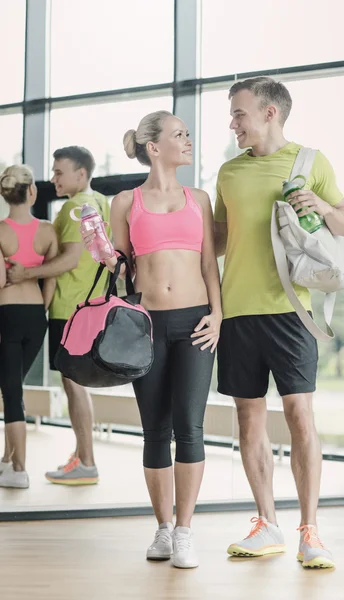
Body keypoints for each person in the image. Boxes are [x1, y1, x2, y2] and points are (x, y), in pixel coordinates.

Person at [214, 77, 344, 568]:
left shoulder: (309, 161)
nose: (233, 122)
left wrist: (322, 206)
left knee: (299, 414)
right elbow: (216, 237)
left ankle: (310, 532)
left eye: (239, 113)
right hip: (237, 311)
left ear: (270, 113)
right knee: (249, 418)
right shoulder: (229, 172)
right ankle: (266, 522)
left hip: (291, 312)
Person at [81, 110, 221, 569]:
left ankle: (185, 531)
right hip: (147, 324)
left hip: (196, 322)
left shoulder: (198, 198)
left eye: (188, 132)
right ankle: (162, 529)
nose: (188, 139)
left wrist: (218, 314)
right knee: (155, 429)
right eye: (179, 134)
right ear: (154, 147)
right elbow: (120, 265)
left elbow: (207, 266)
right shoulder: (125, 201)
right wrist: (101, 250)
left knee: (191, 427)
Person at [6, 147, 111, 485]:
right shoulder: (99, 202)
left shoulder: (74, 207)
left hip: (72, 307)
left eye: (59, 172)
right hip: (89, 304)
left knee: (73, 384)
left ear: (80, 174)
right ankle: (83, 456)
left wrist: (24, 276)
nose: (54, 179)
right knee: (75, 384)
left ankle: (87, 461)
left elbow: (69, 261)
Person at [0, 165, 58, 488]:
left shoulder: (0, 231)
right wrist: (41, 310)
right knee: (13, 386)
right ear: (32, 192)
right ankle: (8, 458)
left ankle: (20, 469)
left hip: (7, 314)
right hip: (37, 317)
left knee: (10, 391)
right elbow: (50, 277)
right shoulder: (48, 232)